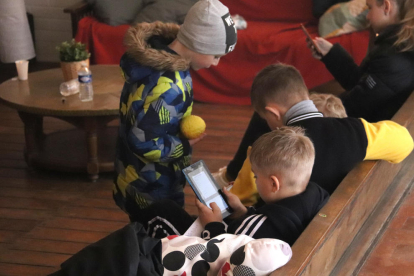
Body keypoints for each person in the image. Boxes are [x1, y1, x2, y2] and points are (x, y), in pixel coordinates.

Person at [113, 0, 237, 221]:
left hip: (131, 174)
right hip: (153, 184)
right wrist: (183, 145)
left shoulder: (153, 60)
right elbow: (142, 141)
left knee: (140, 228)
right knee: (155, 235)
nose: (216, 63)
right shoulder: (170, 86)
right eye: (216, 55)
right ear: (199, 44)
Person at [214, 63, 413, 195]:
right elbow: (405, 142)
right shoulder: (354, 131)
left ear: (273, 113)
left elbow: (240, 201)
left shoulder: (266, 155)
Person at [133, 127, 330, 246]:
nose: (254, 179)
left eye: (255, 175)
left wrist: (214, 224)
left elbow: (220, 256)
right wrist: (242, 212)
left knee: (159, 213)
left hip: (214, 252)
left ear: (273, 183)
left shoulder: (260, 227)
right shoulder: (314, 193)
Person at [308, 0, 414, 122]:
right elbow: (361, 84)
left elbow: (354, 107)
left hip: (367, 130)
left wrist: (313, 108)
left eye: (370, 8)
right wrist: (331, 53)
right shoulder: (396, 45)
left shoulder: (394, 57)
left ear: (386, 6)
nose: (368, 16)